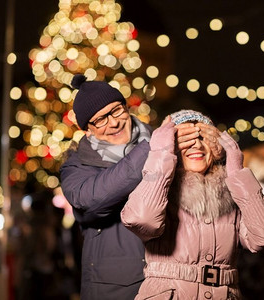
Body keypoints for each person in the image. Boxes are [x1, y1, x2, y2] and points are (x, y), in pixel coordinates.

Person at [60, 75, 223, 299]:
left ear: (126, 108)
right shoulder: (76, 166)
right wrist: (154, 150)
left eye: (116, 110)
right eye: (100, 120)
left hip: (172, 282)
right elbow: (91, 199)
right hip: (116, 289)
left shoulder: (160, 141)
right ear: (88, 129)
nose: (113, 122)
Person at [121, 110, 264, 299]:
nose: (197, 145)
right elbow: (142, 220)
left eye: (204, 138)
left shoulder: (232, 191)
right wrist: (160, 155)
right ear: (172, 146)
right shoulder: (157, 188)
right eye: (186, 139)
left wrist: (237, 173)